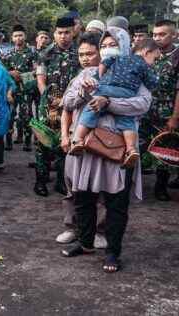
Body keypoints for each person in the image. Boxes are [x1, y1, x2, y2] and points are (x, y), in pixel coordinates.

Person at [60, 32, 152, 274]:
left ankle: (113, 252)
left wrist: (107, 102)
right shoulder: (88, 73)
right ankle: (86, 242)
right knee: (84, 199)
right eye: (104, 45)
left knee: (116, 204)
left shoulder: (135, 73)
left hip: (119, 149)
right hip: (88, 147)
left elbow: (143, 104)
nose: (109, 49)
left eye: (114, 45)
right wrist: (84, 91)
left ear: (125, 46)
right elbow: (68, 103)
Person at [69, 38, 160, 167]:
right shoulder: (144, 66)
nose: (154, 63)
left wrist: (102, 78)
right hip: (127, 93)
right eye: (155, 59)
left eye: (112, 44)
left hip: (107, 87)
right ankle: (131, 149)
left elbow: (105, 63)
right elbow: (153, 83)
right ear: (146, 52)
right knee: (127, 119)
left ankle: (78, 140)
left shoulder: (119, 58)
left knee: (91, 109)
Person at [55, 31, 107, 247]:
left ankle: (98, 231)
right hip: (76, 142)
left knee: (100, 188)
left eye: (90, 54)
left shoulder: (111, 78)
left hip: (102, 141)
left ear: (101, 53)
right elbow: (66, 109)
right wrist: (64, 135)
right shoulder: (77, 79)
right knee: (72, 186)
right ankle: (73, 228)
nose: (85, 58)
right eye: (81, 54)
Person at [34, 16, 81, 197]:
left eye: (67, 32)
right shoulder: (44, 53)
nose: (63, 36)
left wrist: (65, 102)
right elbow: (40, 79)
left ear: (73, 33)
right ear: (55, 34)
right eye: (60, 33)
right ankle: (40, 181)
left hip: (70, 107)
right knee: (43, 143)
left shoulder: (78, 54)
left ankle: (62, 181)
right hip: (48, 106)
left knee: (65, 143)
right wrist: (48, 99)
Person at [145, 20, 179, 200]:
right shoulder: (149, 53)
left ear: (174, 35)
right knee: (137, 144)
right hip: (143, 109)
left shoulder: (177, 55)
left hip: (166, 111)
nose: (157, 38)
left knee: (165, 148)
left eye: (162, 34)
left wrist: (175, 117)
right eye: (155, 34)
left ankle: (161, 186)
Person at [4, 24, 39, 152]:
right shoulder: (8, 54)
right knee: (10, 115)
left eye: (20, 35)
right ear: (12, 38)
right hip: (11, 90)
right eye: (16, 36)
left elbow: (37, 71)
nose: (18, 38)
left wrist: (24, 76)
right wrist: (10, 73)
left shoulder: (32, 53)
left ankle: (27, 142)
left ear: (25, 36)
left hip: (26, 90)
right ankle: (8, 142)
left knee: (27, 116)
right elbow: (2, 70)